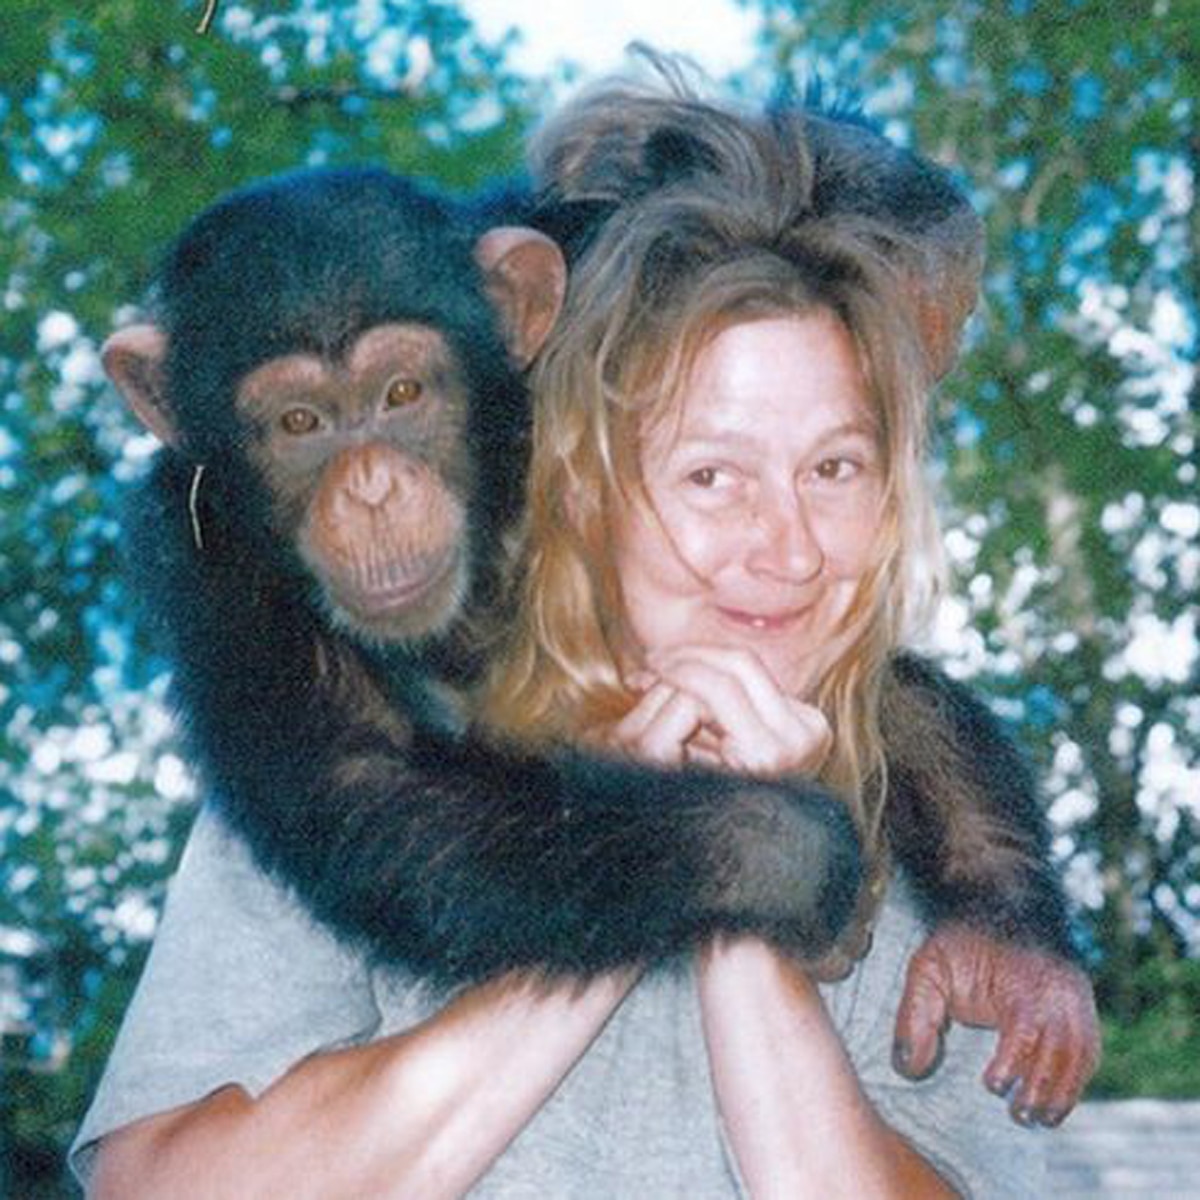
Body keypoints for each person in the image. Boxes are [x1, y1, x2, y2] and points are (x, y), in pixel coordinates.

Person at [74, 73, 1045, 1198]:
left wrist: (986, 908)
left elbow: (889, 690)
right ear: (581, 471)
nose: (782, 545)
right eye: (711, 471)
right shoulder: (299, 643)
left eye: (838, 466)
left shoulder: (919, 847)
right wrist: (700, 843)